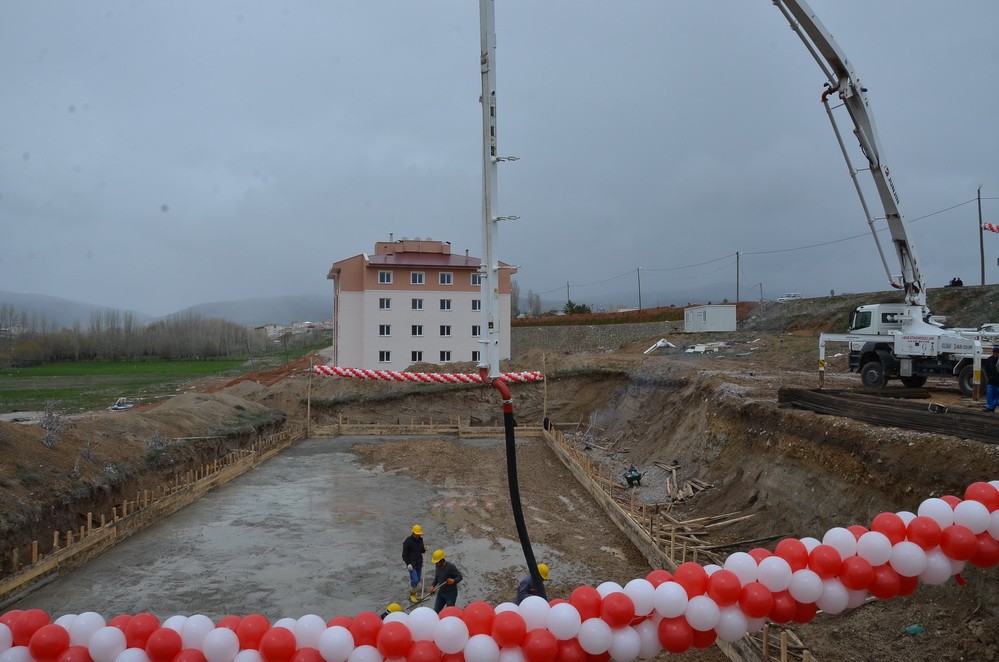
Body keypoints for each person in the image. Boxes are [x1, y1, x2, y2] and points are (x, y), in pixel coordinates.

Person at [402, 524, 427, 603]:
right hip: (411, 565)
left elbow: (421, 550)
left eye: (419, 534)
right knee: (415, 580)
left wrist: (424, 549)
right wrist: (408, 563)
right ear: (413, 533)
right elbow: (404, 555)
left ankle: (414, 593)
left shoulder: (420, 540)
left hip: (419, 563)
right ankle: (412, 594)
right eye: (417, 534)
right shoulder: (407, 542)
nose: (419, 536)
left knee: (418, 579)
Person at [983, 345, 999, 412]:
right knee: (989, 394)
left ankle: (992, 407)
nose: (995, 353)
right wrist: (989, 376)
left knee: (995, 395)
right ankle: (990, 406)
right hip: (991, 381)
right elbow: (986, 369)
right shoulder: (989, 359)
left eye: (997, 352)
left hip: (998, 382)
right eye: (994, 352)